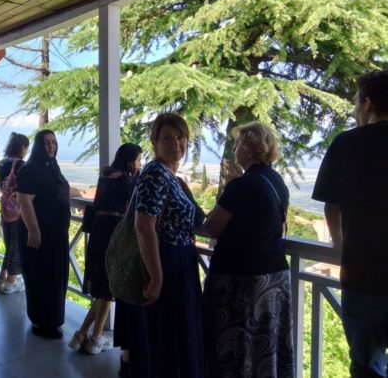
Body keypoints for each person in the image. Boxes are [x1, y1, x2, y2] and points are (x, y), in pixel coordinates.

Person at [312, 70, 388, 378]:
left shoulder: (346, 143)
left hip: (362, 276)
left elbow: (332, 207)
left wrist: (341, 249)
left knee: (366, 364)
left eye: (356, 101)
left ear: (368, 104)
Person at [203, 121, 294, 377]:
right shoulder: (278, 182)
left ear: (250, 148)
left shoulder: (241, 185)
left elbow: (213, 228)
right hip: (275, 277)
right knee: (266, 346)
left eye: (238, 144)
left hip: (242, 280)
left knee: (234, 350)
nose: (234, 150)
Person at [133, 113, 205, 378]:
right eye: (167, 138)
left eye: (181, 137)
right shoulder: (155, 173)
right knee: (171, 337)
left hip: (180, 261)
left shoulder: (170, 175)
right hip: (167, 262)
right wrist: (157, 277)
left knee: (179, 334)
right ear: (154, 141)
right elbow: (144, 226)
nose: (176, 143)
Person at [68, 143, 143, 355]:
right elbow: (136, 200)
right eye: (138, 160)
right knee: (108, 287)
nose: (139, 164)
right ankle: (94, 338)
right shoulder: (127, 180)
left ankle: (82, 335)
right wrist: (137, 178)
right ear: (129, 160)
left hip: (98, 231)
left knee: (103, 287)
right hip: (113, 232)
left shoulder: (105, 176)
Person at [16, 130, 78, 339]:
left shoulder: (52, 166)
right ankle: (41, 323)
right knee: (40, 279)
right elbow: (24, 201)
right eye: (46, 143)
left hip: (55, 235)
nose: (51, 146)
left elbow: (59, 189)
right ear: (38, 146)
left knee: (56, 278)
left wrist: (77, 194)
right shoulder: (30, 169)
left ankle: (53, 321)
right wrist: (34, 230)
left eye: (54, 142)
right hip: (39, 235)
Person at [0, 132, 29, 294]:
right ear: (22, 147)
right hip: (17, 209)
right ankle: (10, 281)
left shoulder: (2, 163)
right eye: (26, 148)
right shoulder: (21, 164)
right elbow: (26, 187)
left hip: (5, 207)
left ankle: (1, 278)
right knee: (16, 246)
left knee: (10, 245)